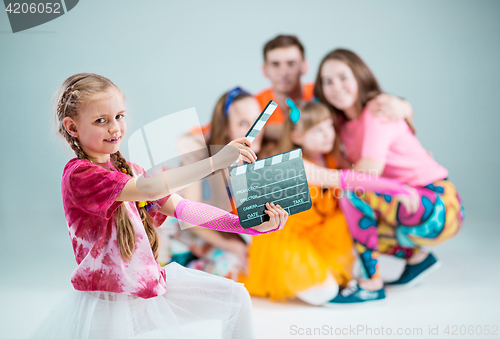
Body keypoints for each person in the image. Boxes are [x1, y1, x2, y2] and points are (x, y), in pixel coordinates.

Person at [30, 73, 288, 339]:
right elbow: (149, 189)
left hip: (150, 287)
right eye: (101, 120)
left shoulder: (131, 170)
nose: (115, 127)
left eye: (119, 116)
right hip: (107, 308)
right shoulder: (80, 175)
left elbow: (185, 209)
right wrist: (215, 162)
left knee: (236, 298)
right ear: (72, 127)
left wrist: (246, 225)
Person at [314, 49, 464, 304]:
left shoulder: (378, 109)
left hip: (439, 206)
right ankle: (417, 260)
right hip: (408, 205)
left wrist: (317, 175)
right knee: (342, 217)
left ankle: (371, 285)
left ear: (360, 76)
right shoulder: (343, 126)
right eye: (327, 81)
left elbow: (366, 174)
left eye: (342, 77)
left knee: (352, 193)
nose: (336, 87)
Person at [242, 100, 354, 305]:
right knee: (326, 292)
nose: (329, 134)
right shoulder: (297, 164)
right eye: (318, 130)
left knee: (344, 229)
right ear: (297, 136)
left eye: (329, 126)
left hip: (317, 233)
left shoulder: (331, 157)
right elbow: (352, 179)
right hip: (287, 238)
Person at [166, 87, 266, 280]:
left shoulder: (251, 156)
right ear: (226, 127)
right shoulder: (201, 152)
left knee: (251, 260)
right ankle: (179, 268)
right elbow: (188, 217)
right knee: (233, 266)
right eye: (243, 123)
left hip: (210, 226)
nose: (255, 131)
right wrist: (233, 246)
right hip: (176, 224)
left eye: (257, 121)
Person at [256, 35, 415, 142]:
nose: (284, 72)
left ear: (304, 67)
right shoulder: (255, 105)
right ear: (264, 70)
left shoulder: (324, 95)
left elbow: (359, 113)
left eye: (291, 63)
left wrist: (404, 106)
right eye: (275, 64)